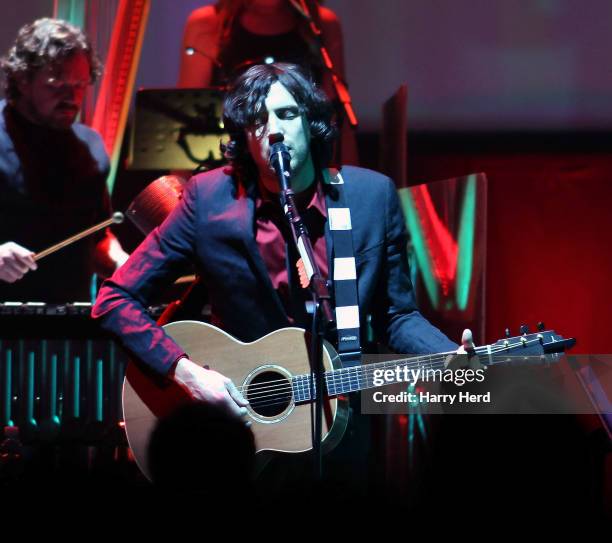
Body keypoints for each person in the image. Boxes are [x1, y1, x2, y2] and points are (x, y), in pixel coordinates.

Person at [92, 63, 467, 425]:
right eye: (258, 120)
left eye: (287, 114)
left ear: (311, 123)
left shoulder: (370, 198)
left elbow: (396, 315)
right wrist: (186, 372)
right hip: (241, 426)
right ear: (244, 137)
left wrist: (447, 356)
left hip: (341, 422)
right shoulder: (208, 200)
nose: (274, 131)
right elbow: (114, 301)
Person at [0, 18, 128, 303]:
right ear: (22, 79)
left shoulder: (90, 148)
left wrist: (120, 263)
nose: (71, 97)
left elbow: (95, 237)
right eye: (56, 84)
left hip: (71, 324)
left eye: (81, 84)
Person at [179, 0, 358, 164]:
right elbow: (187, 115)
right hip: (228, 163)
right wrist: (182, 185)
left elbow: (335, 111)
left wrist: (349, 180)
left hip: (303, 166)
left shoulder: (320, 22)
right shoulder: (209, 22)